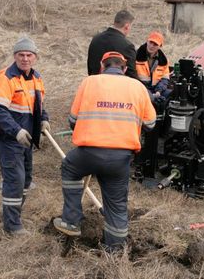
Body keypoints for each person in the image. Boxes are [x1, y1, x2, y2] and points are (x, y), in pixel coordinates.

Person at [54, 52, 156, 252]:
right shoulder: (138, 87)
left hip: (87, 154)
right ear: (125, 69)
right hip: (120, 159)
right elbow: (151, 124)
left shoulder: (89, 82)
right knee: (117, 205)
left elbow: (73, 120)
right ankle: (115, 250)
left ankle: (71, 221)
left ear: (102, 66)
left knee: (69, 168)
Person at [0, 36, 50, 236]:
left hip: (27, 140)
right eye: (21, 55)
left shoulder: (36, 78)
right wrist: (16, 131)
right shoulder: (6, 78)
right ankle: (12, 226)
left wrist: (44, 120)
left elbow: (39, 104)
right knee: (15, 179)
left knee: (26, 180)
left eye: (29, 55)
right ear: (15, 56)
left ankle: (13, 213)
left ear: (35, 57)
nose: (25, 59)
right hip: (10, 139)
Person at [87, 10, 137, 78]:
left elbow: (90, 68)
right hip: (115, 86)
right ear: (127, 26)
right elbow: (132, 75)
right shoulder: (127, 46)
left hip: (95, 84)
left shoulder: (96, 39)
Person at [136, 31, 171, 99]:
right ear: (147, 41)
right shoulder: (135, 56)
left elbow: (165, 79)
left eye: (155, 44)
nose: (151, 46)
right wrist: (148, 93)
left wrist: (158, 91)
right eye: (150, 42)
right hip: (140, 89)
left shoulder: (164, 60)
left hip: (156, 89)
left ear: (160, 46)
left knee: (171, 94)